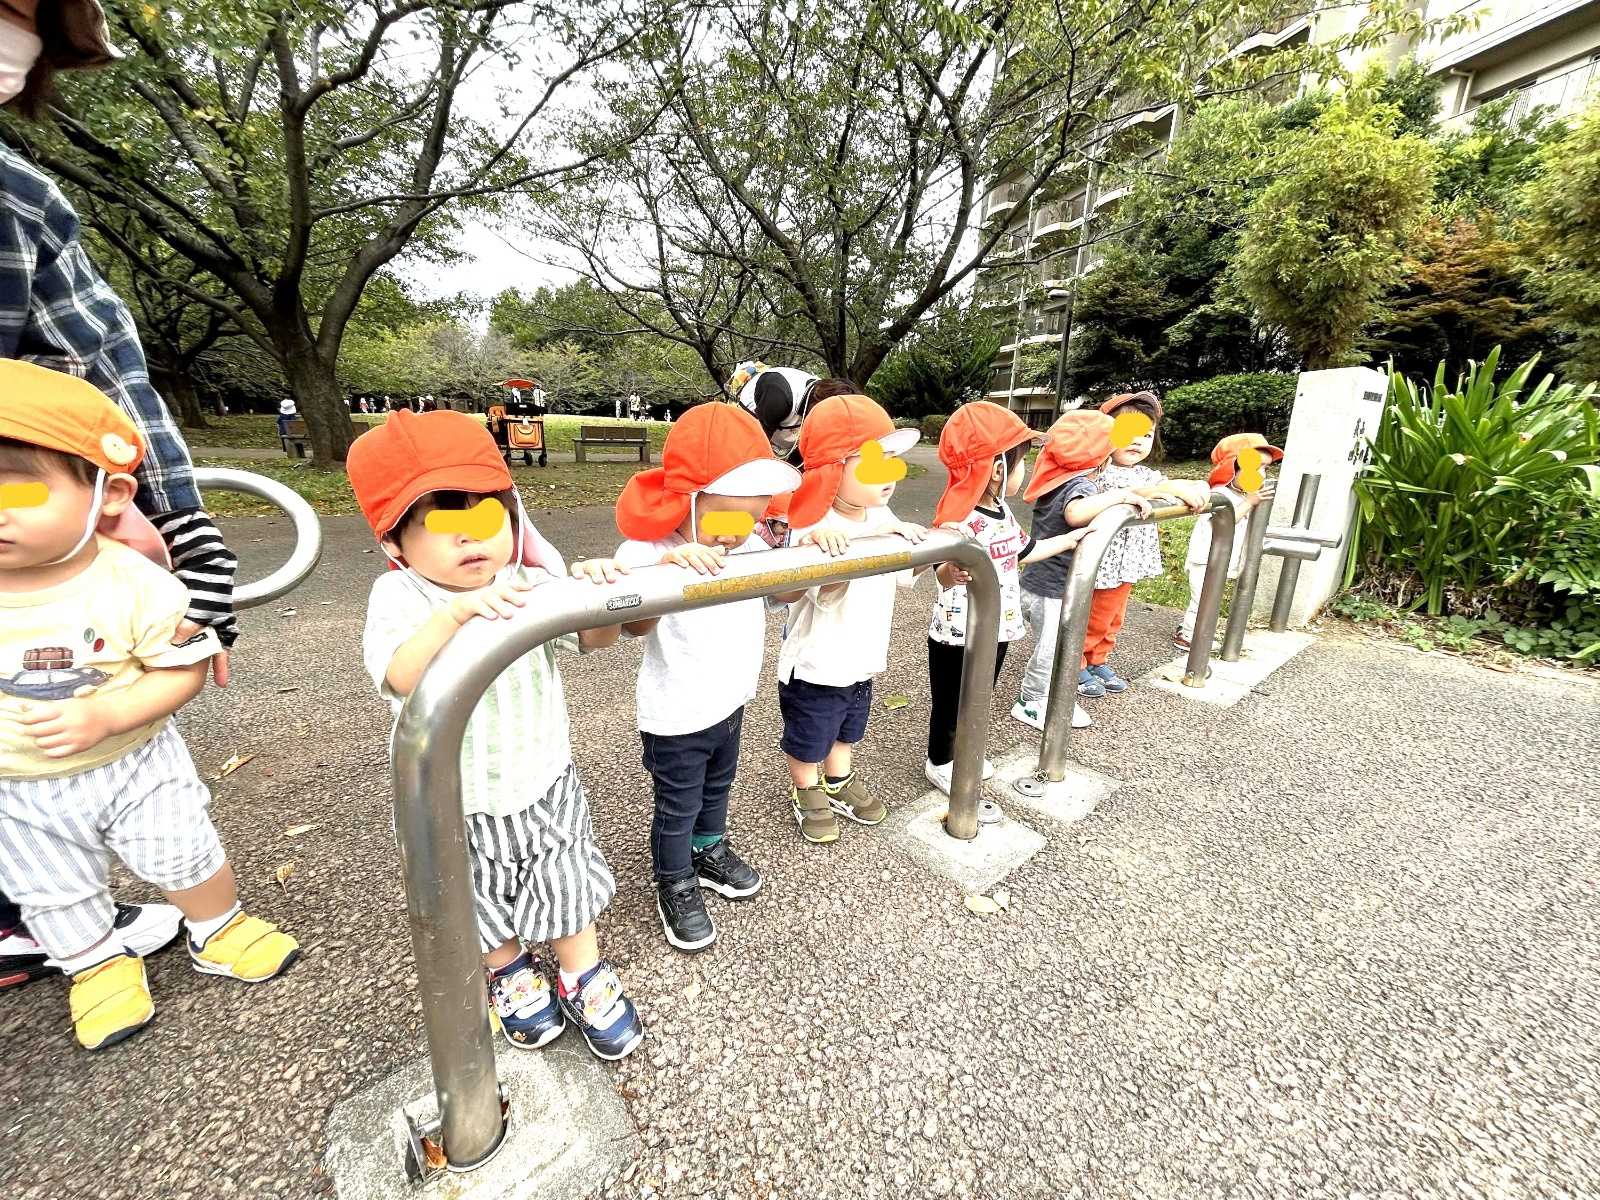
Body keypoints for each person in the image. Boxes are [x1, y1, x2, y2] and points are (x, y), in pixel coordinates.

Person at [0, 0, 239, 986]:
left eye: (22, 22)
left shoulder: (22, 201)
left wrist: (182, 532)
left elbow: (107, 374)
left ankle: (58, 927)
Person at [0, 363, 299, 1050]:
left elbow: (183, 672)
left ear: (109, 494)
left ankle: (216, 927)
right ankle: (95, 966)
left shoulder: (132, 582)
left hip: (134, 759)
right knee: (51, 888)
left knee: (184, 852)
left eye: (20, 488)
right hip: (15, 785)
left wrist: (109, 715)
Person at [350, 409, 644, 1060]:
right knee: (472, 894)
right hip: (452, 796)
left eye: (488, 515)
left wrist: (598, 594)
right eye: (442, 521)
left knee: (564, 878)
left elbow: (595, 640)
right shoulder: (400, 598)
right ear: (394, 543)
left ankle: (582, 974)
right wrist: (454, 617)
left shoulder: (529, 584)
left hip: (543, 779)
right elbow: (398, 676)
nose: (471, 536)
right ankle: (509, 971)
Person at [612, 403, 804, 952]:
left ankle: (708, 847)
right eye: (726, 520)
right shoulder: (647, 551)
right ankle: (673, 879)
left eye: (751, 519)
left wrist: (816, 560)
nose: (737, 535)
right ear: (688, 499)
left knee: (718, 787)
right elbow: (632, 625)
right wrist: (662, 578)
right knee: (678, 804)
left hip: (731, 699)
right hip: (676, 714)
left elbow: (786, 592)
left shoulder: (749, 544)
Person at [778, 394, 926, 844]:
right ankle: (806, 787)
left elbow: (904, 573)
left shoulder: (881, 512)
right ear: (832, 470)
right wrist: (838, 552)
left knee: (848, 727)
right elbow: (815, 592)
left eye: (892, 462)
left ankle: (838, 780)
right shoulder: (812, 524)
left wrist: (927, 549)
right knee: (810, 734)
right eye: (872, 464)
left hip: (863, 654)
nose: (888, 476)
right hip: (819, 662)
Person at [923, 402, 1088, 794]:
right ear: (997, 469)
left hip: (997, 625)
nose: (1024, 469)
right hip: (957, 632)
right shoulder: (958, 515)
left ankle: (966, 751)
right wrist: (952, 571)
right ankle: (941, 760)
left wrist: (1069, 540)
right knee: (951, 702)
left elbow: (1024, 550)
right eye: (1020, 462)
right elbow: (940, 571)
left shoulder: (1001, 510)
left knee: (980, 694)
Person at [1012, 411, 1152, 733]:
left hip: (1036, 580)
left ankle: (1048, 696)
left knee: (1050, 645)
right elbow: (1075, 514)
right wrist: (1120, 496)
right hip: (1053, 588)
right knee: (1053, 650)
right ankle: (1033, 700)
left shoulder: (1054, 480)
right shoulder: (1079, 485)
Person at [1076, 392, 1209, 694]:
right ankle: (1075, 663)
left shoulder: (1145, 473)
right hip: (1104, 562)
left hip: (1129, 561)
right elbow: (1131, 491)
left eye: (1146, 435)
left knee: (1114, 617)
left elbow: (1164, 485)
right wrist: (1166, 489)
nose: (1137, 441)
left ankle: (1098, 659)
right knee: (1096, 616)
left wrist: (1198, 485)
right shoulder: (1097, 471)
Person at [1176, 432, 1281, 650]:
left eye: (1266, 468)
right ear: (1231, 469)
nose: (1261, 475)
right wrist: (1250, 503)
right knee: (1203, 599)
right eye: (1255, 467)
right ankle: (1188, 635)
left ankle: (1195, 629)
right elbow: (1225, 522)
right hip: (1206, 560)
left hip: (1222, 559)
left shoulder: (1242, 495)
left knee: (1210, 598)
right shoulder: (1218, 495)